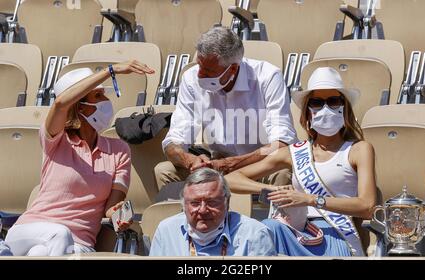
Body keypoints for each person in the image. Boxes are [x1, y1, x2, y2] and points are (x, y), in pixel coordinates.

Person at [5, 61, 155, 256]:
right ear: (80, 106)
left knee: (39, 253)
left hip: (79, 243)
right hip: (30, 229)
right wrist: (110, 71)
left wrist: (119, 214)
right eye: (98, 96)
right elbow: (60, 104)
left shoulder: (119, 150)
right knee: (58, 235)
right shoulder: (56, 140)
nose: (106, 101)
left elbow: (109, 209)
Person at [225, 67, 377, 256]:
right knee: (269, 227)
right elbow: (230, 179)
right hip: (296, 230)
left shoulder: (358, 149)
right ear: (307, 112)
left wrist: (310, 199)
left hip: (336, 233)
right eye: (317, 102)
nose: (325, 108)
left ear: (344, 108)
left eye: (333, 101)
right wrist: (272, 190)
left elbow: (368, 207)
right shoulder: (294, 152)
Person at [155, 26, 297, 191]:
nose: (199, 74)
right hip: (215, 164)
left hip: (259, 165)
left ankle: (274, 218)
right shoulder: (190, 78)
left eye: (208, 71)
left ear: (233, 69)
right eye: (199, 65)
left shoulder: (268, 77)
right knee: (164, 171)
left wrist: (234, 163)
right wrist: (190, 160)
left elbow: (281, 144)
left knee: (282, 173)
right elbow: (173, 141)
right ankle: (186, 216)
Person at [149, 168, 276, 256]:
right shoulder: (166, 231)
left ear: (227, 202)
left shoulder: (254, 234)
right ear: (184, 205)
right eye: (195, 203)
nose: (203, 210)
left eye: (212, 202)